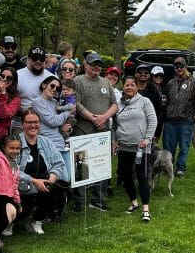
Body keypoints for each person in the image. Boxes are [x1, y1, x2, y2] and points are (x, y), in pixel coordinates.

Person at [72, 51, 118, 211]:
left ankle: (97, 199)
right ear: (85, 65)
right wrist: (93, 118)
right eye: (93, 65)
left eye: (98, 65)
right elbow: (76, 104)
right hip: (82, 130)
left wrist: (104, 117)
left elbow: (114, 104)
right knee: (81, 165)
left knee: (102, 165)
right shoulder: (77, 81)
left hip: (102, 132)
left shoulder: (106, 83)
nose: (96, 68)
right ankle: (79, 200)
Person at [113, 77, 157, 222]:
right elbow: (114, 125)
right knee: (125, 176)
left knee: (142, 176)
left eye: (132, 85)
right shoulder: (118, 103)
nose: (129, 87)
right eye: (127, 85)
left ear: (137, 87)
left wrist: (147, 139)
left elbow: (153, 120)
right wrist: (115, 140)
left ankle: (146, 209)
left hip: (141, 147)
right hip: (124, 146)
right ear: (123, 87)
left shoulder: (144, 101)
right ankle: (134, 203)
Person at [16, 112, 67, 234]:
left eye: (36, 122)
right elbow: (12, 170)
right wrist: (33, 181)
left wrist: (51, 180)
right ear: (23, 125)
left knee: (58, 190)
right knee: (22, 211)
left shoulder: (46, 142)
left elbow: (59, 163)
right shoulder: (15, 143)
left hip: (44, 182)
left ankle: (36, 222)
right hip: (21, 185)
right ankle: (10, 223)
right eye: (29, 122)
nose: (33, 125)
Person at [162, 56, 195, 177]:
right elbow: (166, 101)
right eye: (176, 67)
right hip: (170, 121)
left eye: (181, 66)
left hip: (186, 121)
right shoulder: (170, 82)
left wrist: (193, 118)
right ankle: (168, 167)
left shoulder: (194, 82)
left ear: (185, 67)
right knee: (169, 147)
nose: (178, 69)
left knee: (184, 147)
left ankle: (181, 168)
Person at [29, 76, 74, 152]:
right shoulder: (37, 102)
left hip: (61, 143)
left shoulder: (55, 102)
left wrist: (66, 127)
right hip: (47, 145)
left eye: (57, 88)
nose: (54, 89)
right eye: (52, 86)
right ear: (44, 85)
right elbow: (52, 121)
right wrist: (68, 112)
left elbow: (61, 121)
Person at [133, 63, 163, 142]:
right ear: (136, 74)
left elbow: (159, 112)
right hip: (132, 127)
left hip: (149, 128)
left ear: (149, 75)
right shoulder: (130, 88)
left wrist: (156, 132)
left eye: (146, 72)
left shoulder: (154, 91)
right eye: (140, 72)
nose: (143, 74)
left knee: (146, 153)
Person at [0, 67, 21, 139]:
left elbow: (3, 115)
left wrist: (2, 93)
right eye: (2, 76)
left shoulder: (15, 99)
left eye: (9, 78)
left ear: (13, 81)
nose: (4, 79)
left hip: (0, 136)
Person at [150, 66, 168, 140]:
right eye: (156, 75)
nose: (158, 77)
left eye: (161, 75)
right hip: (151, 120)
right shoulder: (149, 89)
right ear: (152, 76)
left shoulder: (164, 89)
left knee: (155, 141)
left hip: (160, 121)